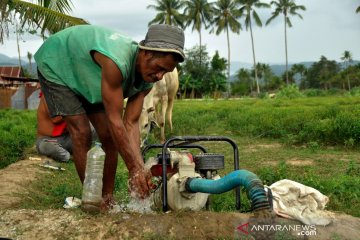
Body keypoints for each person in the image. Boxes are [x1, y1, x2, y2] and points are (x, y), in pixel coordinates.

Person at [34, 24, 185, 210]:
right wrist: (133, 169)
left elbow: (131, 123)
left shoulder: (148, 80)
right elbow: (116, 121)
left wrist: (140, 167)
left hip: (85, 73)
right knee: (82, 132)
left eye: (166, 72)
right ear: (147, 53)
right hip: (57, 62)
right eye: (159, 68)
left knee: (108, 137)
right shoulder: (117, 62)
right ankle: (92, 200)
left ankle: (107, 199)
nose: (160, 76)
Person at [36, 92, 72, 162]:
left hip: (66, 137)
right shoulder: (48, 96)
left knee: (91, 129)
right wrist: (74, 110)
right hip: (47, 140)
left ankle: (76, 152)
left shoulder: (67, 97)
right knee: (48, 147)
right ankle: (68, 156)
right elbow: (55, 119)